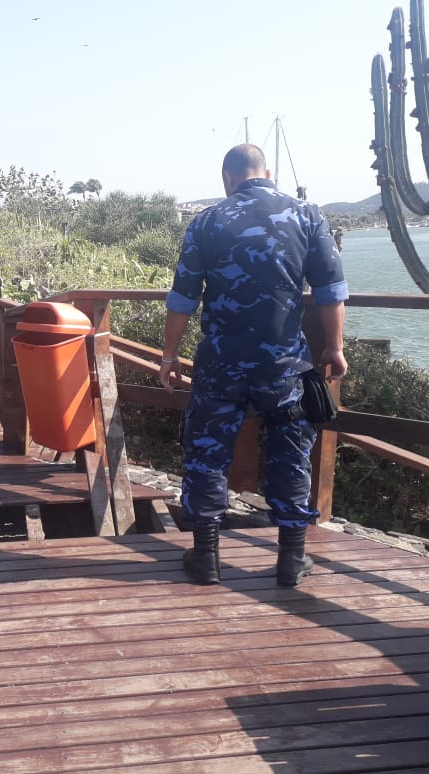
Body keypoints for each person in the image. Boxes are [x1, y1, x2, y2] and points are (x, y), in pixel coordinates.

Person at [158, 144, 348, 587]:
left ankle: (206, 559)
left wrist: (169, 354)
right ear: (269, 172)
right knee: (289, 455)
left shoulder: (207, 221)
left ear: (227, 178)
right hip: (283, 367)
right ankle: (291, 560)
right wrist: (334, 348)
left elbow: (182, 298)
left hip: (220, 365)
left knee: (207, 455)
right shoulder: (307, 215)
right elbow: (331, 290)